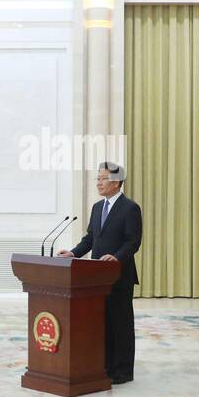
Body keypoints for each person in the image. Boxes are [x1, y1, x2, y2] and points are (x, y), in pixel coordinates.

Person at [58, 161, 142, 384]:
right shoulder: (97, 207)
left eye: (102, 178)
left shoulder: (130, 208)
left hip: (119, 275)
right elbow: (90, 239)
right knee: (101, 323)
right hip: (96, 278)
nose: (98, 182)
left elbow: (133, 241)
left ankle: (123, 371)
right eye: (97, 178)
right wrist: (73, 253)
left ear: (116, 182)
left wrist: (116, 256)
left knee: (120, 323)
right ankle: (104, 366)